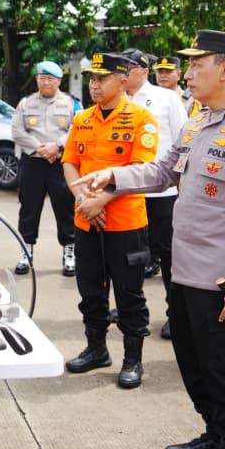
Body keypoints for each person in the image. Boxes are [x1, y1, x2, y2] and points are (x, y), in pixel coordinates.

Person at [73, 30, 225, 449]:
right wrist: (114, 175)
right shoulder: (197, 121)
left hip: (224, 282)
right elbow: (162, 171)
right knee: (194, 365)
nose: (187, 73)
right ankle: (214, 436)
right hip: (186, 273)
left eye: (196, 65)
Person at [61, 53, 156, 389]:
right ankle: (96, 348)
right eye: (92, 79)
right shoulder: (82, 118)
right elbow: (69, 162)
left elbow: (141, 171)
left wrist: (103, 199)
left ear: (123, 80)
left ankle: (133, 359)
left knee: (129, 293)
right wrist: (86, 200)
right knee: (90, 288)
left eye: (102, 78)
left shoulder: (142, 119)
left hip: (125, 222)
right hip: (87, 219)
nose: (94, 85)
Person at [122, 49, 188, 339]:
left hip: (163, 193)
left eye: (129, 67)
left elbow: (185, 140)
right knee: (131, 257)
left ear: (143, 70)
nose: (122, 72)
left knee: (169, 258)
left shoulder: (167, 98)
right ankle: (133, 311)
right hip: (128, 193)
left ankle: (176, 314)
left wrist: (183, 185)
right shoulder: (118, 100)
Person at [11, 61, 80, 276]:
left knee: (66, 207)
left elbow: (76, 130)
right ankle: (26, 251)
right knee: (29, 208)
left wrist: (56, 146)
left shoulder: (71, 104)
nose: (45, 82)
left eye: (50, 78)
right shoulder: (25, 103)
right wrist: (41, 150)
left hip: (60, 163)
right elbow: (17, 131)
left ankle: (70, 252)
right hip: (33, 163)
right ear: (37, 80)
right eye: (42, 78)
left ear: (59, 80)